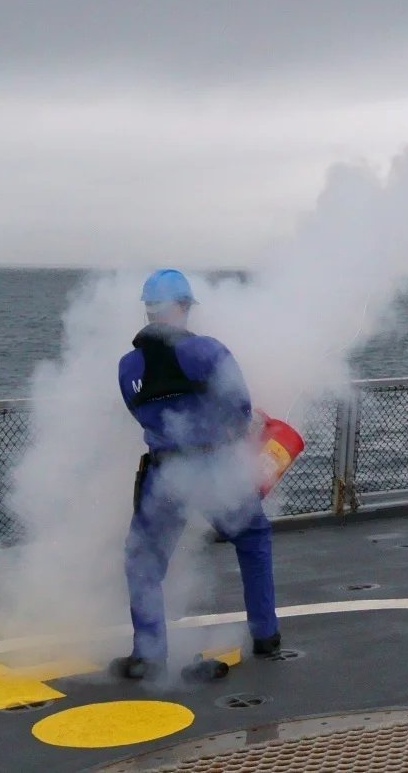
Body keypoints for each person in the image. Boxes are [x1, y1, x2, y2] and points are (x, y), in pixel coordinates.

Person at [110, 269, 281, 681]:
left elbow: (140, 414)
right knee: (252, 539)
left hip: (165, 473)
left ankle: (148, 655)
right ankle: (266, 635)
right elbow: (239, 409)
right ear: (183, 307)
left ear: (149, 311)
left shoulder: (127, 366)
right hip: (215, 467)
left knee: (144, 562)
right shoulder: (207, 352)